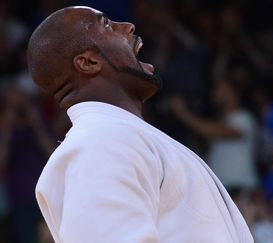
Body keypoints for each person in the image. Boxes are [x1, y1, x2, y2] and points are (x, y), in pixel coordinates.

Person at [27, 6, 253, 242]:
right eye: (106, 25)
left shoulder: (117, 136)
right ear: (88, 62)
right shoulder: (99, 142)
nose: (128, 26)